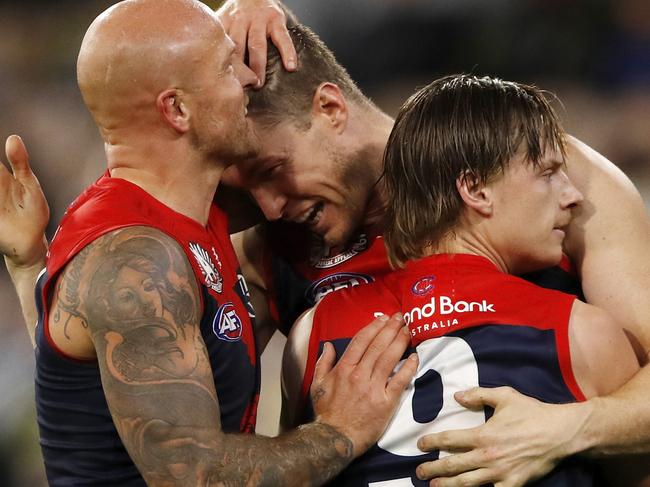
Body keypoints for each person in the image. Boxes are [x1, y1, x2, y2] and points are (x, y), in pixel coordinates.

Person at [2, 0, 650, 484]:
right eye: (246, 190)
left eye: (270, 172)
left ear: (331, 108)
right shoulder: (273, 248)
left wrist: (565, 428)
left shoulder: (539, 171)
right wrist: (38, 268)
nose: (267, 206)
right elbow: (126, 385)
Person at [0, 1, 419, 485]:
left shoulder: (189, 217)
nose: (244, 77)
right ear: (177, 109)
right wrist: (340, 431)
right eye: (225, 66)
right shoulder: (140, 255)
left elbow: (94, 382)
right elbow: (193, 476)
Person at [281, 74, 645, 486]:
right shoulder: (582, 333)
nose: (573, 194)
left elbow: (289, 469)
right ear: (475, 189)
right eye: (548, 173)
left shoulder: (311, 335)